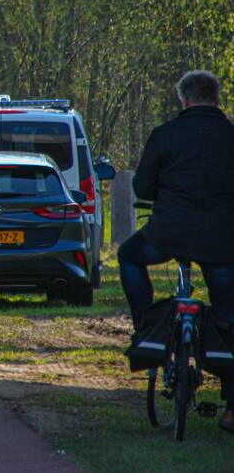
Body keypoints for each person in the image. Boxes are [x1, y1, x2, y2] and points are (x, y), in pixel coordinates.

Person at [119, 69, 234, 434]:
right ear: (217, 99)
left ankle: (145, 328)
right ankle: (232, 410)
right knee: (230, 316)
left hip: (168, 233)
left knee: (129, 257)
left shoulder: (165, 134)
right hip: (222, 239)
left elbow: (142, 187)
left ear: (184, 100)